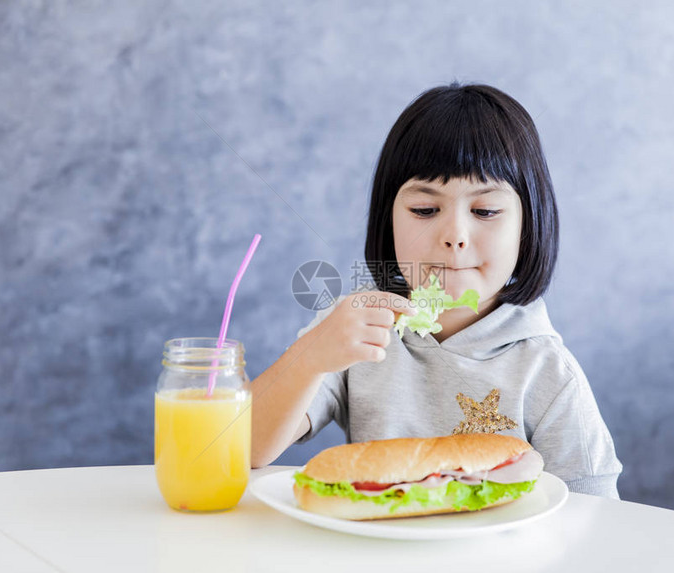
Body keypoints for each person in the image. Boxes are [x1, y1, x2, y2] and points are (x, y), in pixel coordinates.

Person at [251, 83, 623, 498]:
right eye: (425, 210)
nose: (455, 236)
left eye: (485, 211)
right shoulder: (354, 329)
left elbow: (595, 514)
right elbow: (243, 447)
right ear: (387, 219)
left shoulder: (547, 370)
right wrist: (309, 358)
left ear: (527, 225)